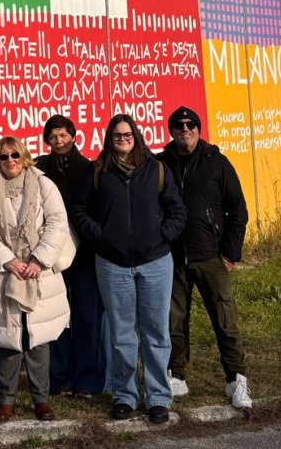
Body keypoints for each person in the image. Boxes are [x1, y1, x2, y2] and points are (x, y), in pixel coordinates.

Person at [70, 113, 186, 425]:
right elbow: (79, 210)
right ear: (109, 139)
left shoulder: (156, 169)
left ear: (136, 136)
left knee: (156, 332)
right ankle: (124, 396)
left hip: (155, 262)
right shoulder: (98, 171)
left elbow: (177, 209)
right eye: (117, 135)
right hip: (112, 264)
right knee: (122, 335)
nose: (122, 139)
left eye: (127, 134)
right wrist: (100, 236)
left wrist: (163, 234)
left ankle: (158, 397)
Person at [156, 106, 251, 409]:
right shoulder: (160, 164)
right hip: (173, 259)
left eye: (190, 124)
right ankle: (177, 376)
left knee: (225, 321)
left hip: (211, 257)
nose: (185, 129)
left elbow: (238, 210)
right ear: (171, 131)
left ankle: (236, 379)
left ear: (198, 129)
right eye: (178, 125)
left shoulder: (217, 163)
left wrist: (230, 254)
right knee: (174, 321)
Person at [0, 136, 71, 423]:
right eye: (3, 157)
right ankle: (7, 400)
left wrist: (39, 259)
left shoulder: (43, 184)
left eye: (15, 155)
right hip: (5, 272)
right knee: (8, 338)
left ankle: (41, 399)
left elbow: (57, 223)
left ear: (24, 156)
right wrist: (8, 260)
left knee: (38, 338)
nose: (10, 161)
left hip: (38, 272)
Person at [34, 114, 105, 397]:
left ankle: (87, 380)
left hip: (85, 254)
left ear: (74, 137)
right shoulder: (39, 167)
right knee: (56, 317)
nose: (58, 141)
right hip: (52, 256)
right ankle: (59, 377)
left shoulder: (90, 168)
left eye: (63, 135)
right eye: (52, 137)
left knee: (87, 316)